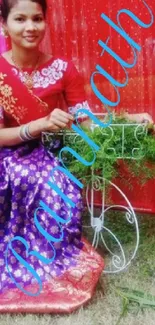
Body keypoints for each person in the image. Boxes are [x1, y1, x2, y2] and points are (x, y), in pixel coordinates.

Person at [0, 0, 104, 313]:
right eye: (20, 19)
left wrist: (129, 119)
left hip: (50, 151)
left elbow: (85, 120)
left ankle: (51, 264)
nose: (30, 27)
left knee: (54, 179)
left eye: (37, 19)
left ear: (46, 22)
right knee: (21, 175)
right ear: (4, 24)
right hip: (8, 151)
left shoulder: (64, 69)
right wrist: (36, 125)